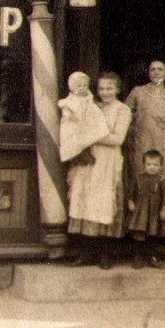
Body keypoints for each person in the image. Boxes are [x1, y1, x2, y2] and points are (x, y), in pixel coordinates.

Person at [63, 72, 131, 269]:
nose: (105, 92)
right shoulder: (91, 106)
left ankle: (105, 254)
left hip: (108, 161)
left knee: (104, 204)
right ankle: (85, 252)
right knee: (85, 202)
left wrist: (90, 134)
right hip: (89, 159)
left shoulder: (122, 110)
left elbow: (117, 138)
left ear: (117, 89)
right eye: (101, 88)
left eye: (109, 88)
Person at [124, 60, 165, 229]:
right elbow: (124, 114)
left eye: (160, 69)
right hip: (143, 142)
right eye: (152, 69)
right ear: (148, 72)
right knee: (141, 178)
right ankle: (140, 225)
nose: (156, 72)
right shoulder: (138, 92)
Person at [127, 149, 165, 269]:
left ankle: (152, 257)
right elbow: (131, 191)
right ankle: (137, 257)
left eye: (155, 165)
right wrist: (130, 201)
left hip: (154, 212)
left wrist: (164, 209)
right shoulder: (138, 178)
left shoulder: (162, 180)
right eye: (149, 164)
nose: (152, 167)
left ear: (160, 166)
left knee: (153, 234)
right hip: (141, 211)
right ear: (144, 164)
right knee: (139, 234)